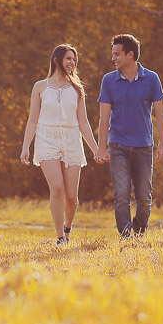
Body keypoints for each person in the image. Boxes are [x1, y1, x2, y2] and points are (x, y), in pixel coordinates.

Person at [19, 44, 99, 245]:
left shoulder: (77, 89)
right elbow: (32, 120)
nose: (72, 62)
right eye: (68, 58)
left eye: (74, 59)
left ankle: (68, 228)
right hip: (47, 138)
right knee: (56, 188)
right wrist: (25, 147)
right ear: (57, 60)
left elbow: (83, 122)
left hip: (71, 139)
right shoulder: (40, 87)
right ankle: (59, 237)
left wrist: (96, 149)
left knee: (71, 196)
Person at [94, 33, 163, 238]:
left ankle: (139, 231)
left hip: (144, 146)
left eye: (117, 54)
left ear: (130, 55)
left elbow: (160, 113)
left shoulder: (151, 78)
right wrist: (101, 147)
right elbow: (104, 117)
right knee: (121, 195)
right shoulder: (109, 80)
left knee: (144, 197)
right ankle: (126, 237)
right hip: (117, 146)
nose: (113, 58)